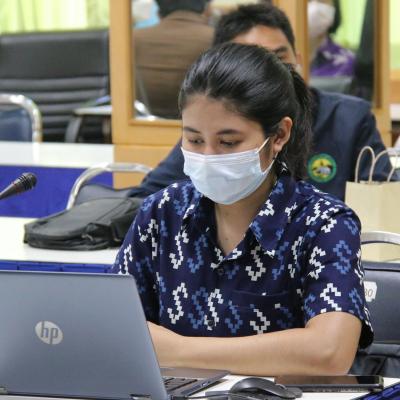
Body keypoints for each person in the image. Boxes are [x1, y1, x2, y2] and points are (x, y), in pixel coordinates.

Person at [113, 42, 373, 376]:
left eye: (228, 142)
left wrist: (177, 349)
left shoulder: (324, 224)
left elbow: (329, 352)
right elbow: (112, 329)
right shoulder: (161, 214)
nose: (208, 156)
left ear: (279, 135)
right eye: (194, 140)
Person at [130, 3, 396, 201]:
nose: (273, 75)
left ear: (298, 60)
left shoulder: (349, 119)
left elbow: (388, 199)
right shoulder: (214, 133)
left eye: (279, 59)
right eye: (254, 64)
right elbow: (144, 199)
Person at [134, 0, 214, 119]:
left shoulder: (134, 38)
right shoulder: (215, 38)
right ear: (206, 10)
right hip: (200, 124)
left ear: (158, 12)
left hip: (139, 123)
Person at [308, 0, 355, 78]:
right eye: (308, 1)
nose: (314, 7)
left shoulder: (348, 62)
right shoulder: (286, 59)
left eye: (321, 0)